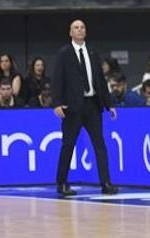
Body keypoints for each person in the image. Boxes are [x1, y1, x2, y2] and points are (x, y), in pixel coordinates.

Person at [50, 19, 118, 197]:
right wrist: (56, 102)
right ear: (70, 32)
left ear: (85, 32)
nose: (79, 30)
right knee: (68, 145)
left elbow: (100, 81)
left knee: (99, 144)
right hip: (72, 107)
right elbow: (57, 79)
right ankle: (62, 183)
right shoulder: (64, 53)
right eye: (76, 28)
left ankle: (106, 183)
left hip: (93, 104)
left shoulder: (93, 53)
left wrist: (108, 104)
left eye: (82, 28)